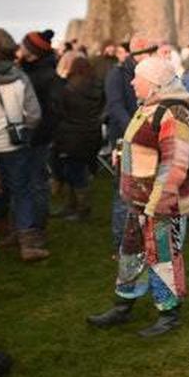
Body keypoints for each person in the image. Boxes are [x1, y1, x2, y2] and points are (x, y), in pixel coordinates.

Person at [86, 55, 189, 337]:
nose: (132, 81)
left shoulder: (173, 113)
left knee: (162, 258)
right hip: (139, 204)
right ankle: (123, 306)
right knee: (131, 254)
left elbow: (175, 164)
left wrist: (155, 204)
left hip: (161, 205)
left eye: (138, 77)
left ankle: (169, 315)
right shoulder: (147, 107)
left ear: (155, 83)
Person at [0, 28, 47, 261]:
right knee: (22, 191)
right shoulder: (20, 77)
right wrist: (22, 127)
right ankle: (27, 242)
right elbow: (34, 114)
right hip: (14, 144)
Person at [104, 34, 155, 251]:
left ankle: (144, 239)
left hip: (147, 140)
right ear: (137, 54)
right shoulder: (116, 75)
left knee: (146, 191)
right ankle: (122, 243)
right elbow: (115, 108)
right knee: (123, 195)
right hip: (125, 139)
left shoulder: (150, 73)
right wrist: (136, 132)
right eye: (148, 53)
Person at [20, 30, 62, 246]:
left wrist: (36, 136)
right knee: (26, 184)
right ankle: (25, 228)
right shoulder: (26, 70)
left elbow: (52, 113)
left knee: (37, 183)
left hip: (37, 139)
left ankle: (37, 229)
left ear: (32, 51)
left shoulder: (47, 76)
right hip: (26, 137)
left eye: (24, 45)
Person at [51, 55, 105, 221]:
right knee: (78, 170)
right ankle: (72, 206)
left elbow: (60, 111)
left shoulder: (68, 88)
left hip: (72, 135)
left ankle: (82, 209)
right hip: (92, 134)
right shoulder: (98, 87)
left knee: (74, 172)